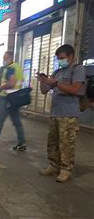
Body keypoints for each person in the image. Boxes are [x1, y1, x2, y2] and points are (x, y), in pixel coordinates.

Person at [37, 44, 85, 183]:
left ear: (71, 57)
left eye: (62, 58)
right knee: (52, 142)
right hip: (55, 113)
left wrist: (56, 84)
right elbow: (45, 91)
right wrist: (43, 81)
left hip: (69, 113)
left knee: (66, 143)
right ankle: (53, 165)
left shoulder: (78, 69)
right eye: (58, 59)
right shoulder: (57, 72)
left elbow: (75, 89)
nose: (60, 61)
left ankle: (66, 169)